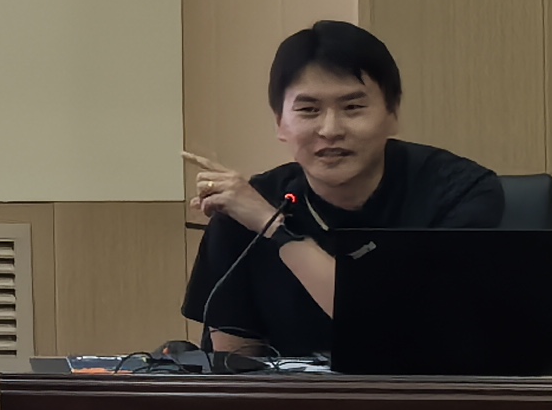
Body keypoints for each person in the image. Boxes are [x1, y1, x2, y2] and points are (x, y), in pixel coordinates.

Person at [182, 20, 504, 358]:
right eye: (309, 110)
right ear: (280, 123)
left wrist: (275, 228)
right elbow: (235, 365)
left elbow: (409, 330)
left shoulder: (459, 193)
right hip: (290, 395)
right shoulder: (244, 209)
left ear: (393, 113)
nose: (330, 130)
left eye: (353, 107)